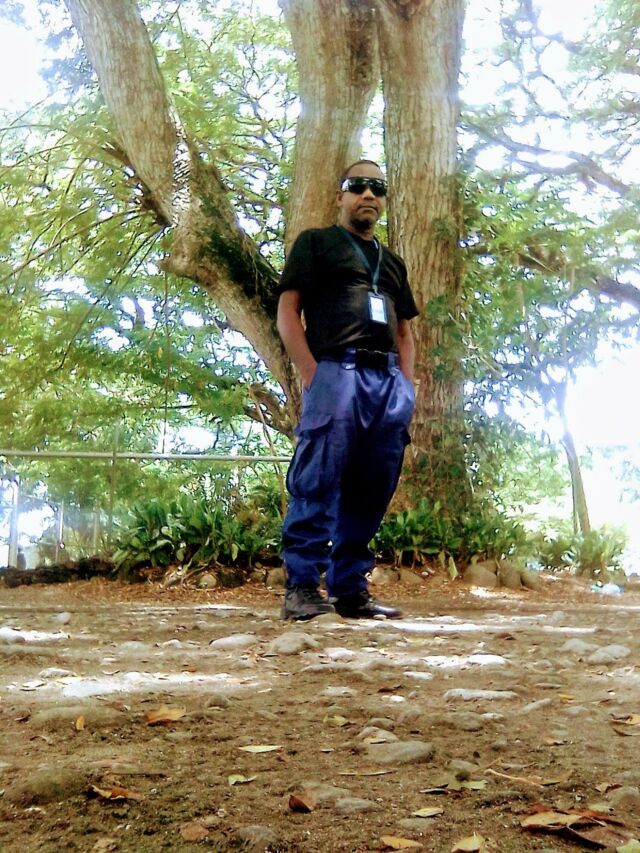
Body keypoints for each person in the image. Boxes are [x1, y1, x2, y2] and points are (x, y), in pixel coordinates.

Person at [277, 159, 418, 621]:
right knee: (317, 479)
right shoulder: (316, 243)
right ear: (340, 196)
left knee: (373, 485)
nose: (369, 194)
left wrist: (406, 387)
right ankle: (302, 587)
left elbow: (405, 332)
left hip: (387, 384)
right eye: (358, 186)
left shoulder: (393, 264)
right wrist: (312, 373)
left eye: (377, 187)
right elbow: (288, 312)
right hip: (337, 371)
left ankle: (350, 589)